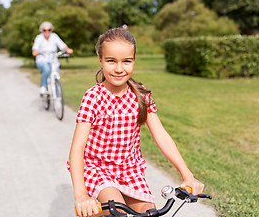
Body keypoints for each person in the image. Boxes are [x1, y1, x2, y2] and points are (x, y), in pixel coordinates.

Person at [68, 27, 204, 217]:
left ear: (134, 61)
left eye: (126, 61)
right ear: (100, 60)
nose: (119, 68)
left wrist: (187, 175)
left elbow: (161, 136)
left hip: (130, 170)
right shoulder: (94, 97)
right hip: (98, 169)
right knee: (115, 210)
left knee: (151, 212)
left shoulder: (141, 94)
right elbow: (77, 147)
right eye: (111, 61)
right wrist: (81, 194)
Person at [32, 21, 73, 95]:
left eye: (49, 30)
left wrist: (67, 50)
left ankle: (57, 99)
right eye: (45, 30)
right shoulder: (39, 38)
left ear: (51, 30)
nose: (47, 32)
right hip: (42, 59)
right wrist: (36, 52)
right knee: (47, 69)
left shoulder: (54, 36)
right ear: (42, 30)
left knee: (56, 77)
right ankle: (43, 87)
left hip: (53, 60)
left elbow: (62, 45)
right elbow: (35, 50)